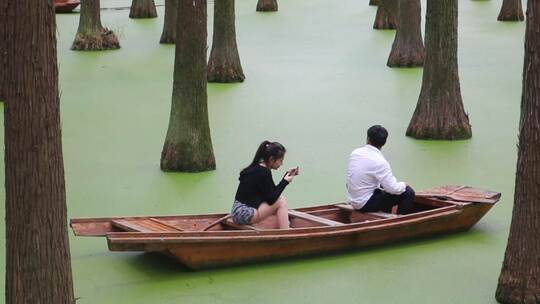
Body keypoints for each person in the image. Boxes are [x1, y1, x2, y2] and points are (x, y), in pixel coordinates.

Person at [346, 125, 415, 215]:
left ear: (368, 138)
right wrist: (404, 185)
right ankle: (400, 221)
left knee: (383, 187)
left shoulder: (355, 153)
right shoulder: (380, 162)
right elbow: (393, 188)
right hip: (365, 204)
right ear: (384, 143)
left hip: (353, 200)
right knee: (408, 193)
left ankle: (385, 213)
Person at [232, 141, 299, 229]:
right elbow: (271, 200)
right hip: (245, 213)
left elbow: (271, 193)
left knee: (279, 199)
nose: (281, 164)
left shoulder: (255, 167)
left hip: (237, 212)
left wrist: (285, 176)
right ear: (271, 159)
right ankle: (286, 231)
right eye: (280, 160)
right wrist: (285, 182)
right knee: (281, 201)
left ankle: (284, 226)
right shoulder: (264, 172)